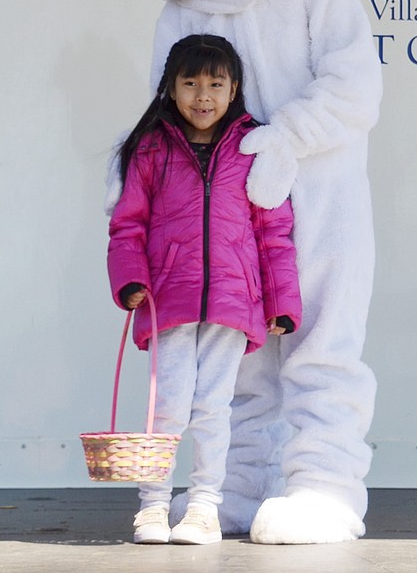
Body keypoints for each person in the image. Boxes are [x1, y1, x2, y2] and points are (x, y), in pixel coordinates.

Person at [107, 34, 302, 546]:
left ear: (234, 88)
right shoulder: (151, 148)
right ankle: (151, 508)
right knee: (166, 407)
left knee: (213, 407)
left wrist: (281, 301)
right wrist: (131, 279)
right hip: (168, 298)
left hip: (234, 302)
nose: (203, 95)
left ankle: (203, 510)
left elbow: (273, 232)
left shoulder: (253, 147)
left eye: (215, 83)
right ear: (170, 89)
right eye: (190, 83)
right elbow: (128, 225)